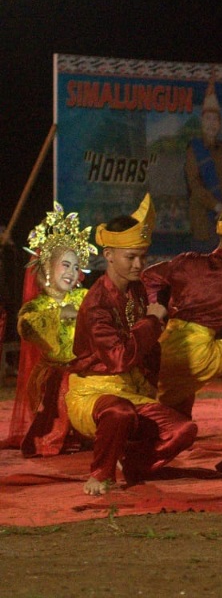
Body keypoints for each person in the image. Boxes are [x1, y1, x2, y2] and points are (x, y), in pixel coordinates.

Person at [66, 194, 198, 495]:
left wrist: (150, 385)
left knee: (184, 430)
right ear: (109, 254)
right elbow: (118, 358)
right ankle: (100, 474)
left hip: (131, 390)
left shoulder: (137, 289)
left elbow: (150, 350)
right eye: (131, 258)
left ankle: (133, 463)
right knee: (120, 413)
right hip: (94, 393)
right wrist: (152, 321)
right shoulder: (97, 302)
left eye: (143, 256)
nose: (140, 264)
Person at [142, 201, 222, 436]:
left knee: (175, 420)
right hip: (199, 353)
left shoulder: (186, 261)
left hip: (165, 346)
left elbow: (149, 275)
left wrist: (155, 307)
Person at [6, 203, 97, 456]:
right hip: (52, 378)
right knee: (64, 379)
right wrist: (60, 313)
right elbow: (27, 326)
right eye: (65, 265)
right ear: (47, 267)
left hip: (84, 373)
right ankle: (53, 434)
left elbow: (104, 311)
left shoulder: (84, 297)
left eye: (76, 267)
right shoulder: (37, 306)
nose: (72, 272)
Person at [185, 78, 222, 251]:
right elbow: (195, 185)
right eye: (208, 119)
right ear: (202, 121)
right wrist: (216, 206)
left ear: (220, 123)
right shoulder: (194, 149)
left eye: (215, 119)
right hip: (202, 222)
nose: (212, 123)